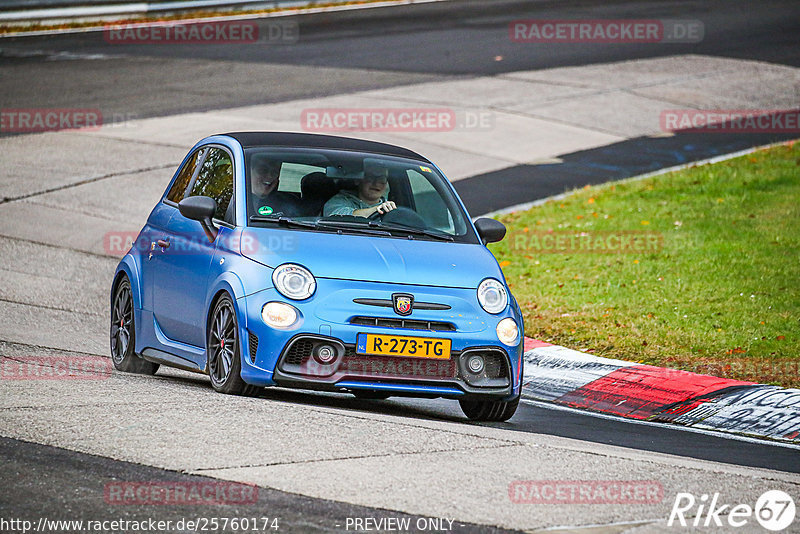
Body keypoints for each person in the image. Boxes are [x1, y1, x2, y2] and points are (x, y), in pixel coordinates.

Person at [323, 163, 396, 217]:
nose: (376, 183)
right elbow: (335, 216)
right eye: (370, 177)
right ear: (358, 181)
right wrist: (376, 210)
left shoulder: (392, 208)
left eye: (382, 179)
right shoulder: (339, 201)